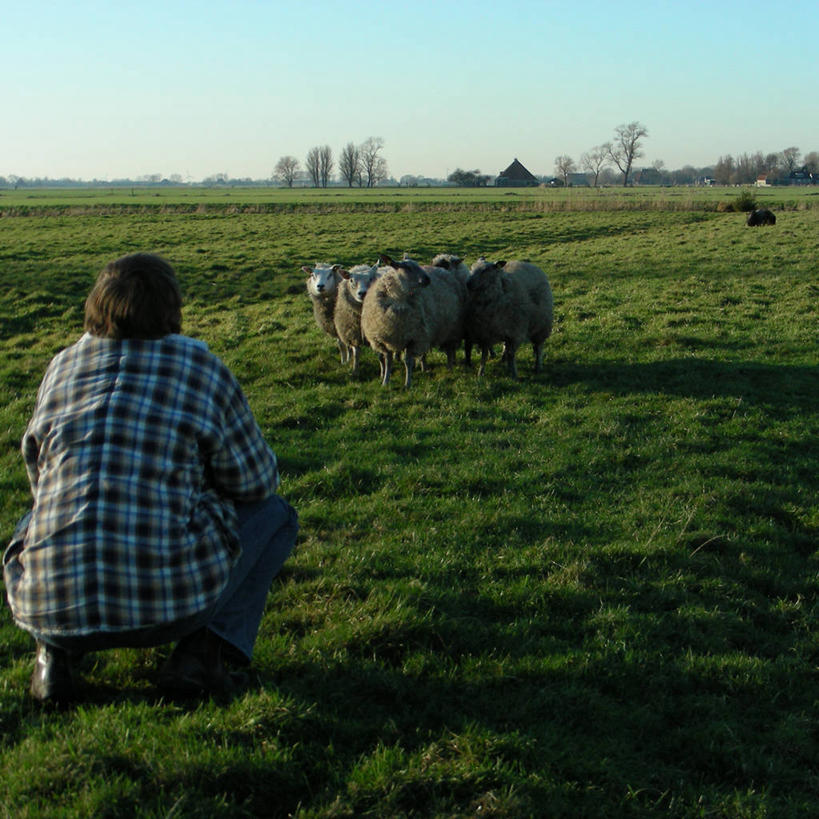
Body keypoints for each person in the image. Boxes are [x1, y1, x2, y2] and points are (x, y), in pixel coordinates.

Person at [3, 253, 298, 703]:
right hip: (167, 604)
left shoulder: (61, 366)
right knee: (275, 515)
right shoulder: (200, 367)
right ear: (171, 308)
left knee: (38, 517)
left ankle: (53, 660)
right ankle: (200, 655)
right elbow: (256, 483)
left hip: (47, 606)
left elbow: (37, 472)